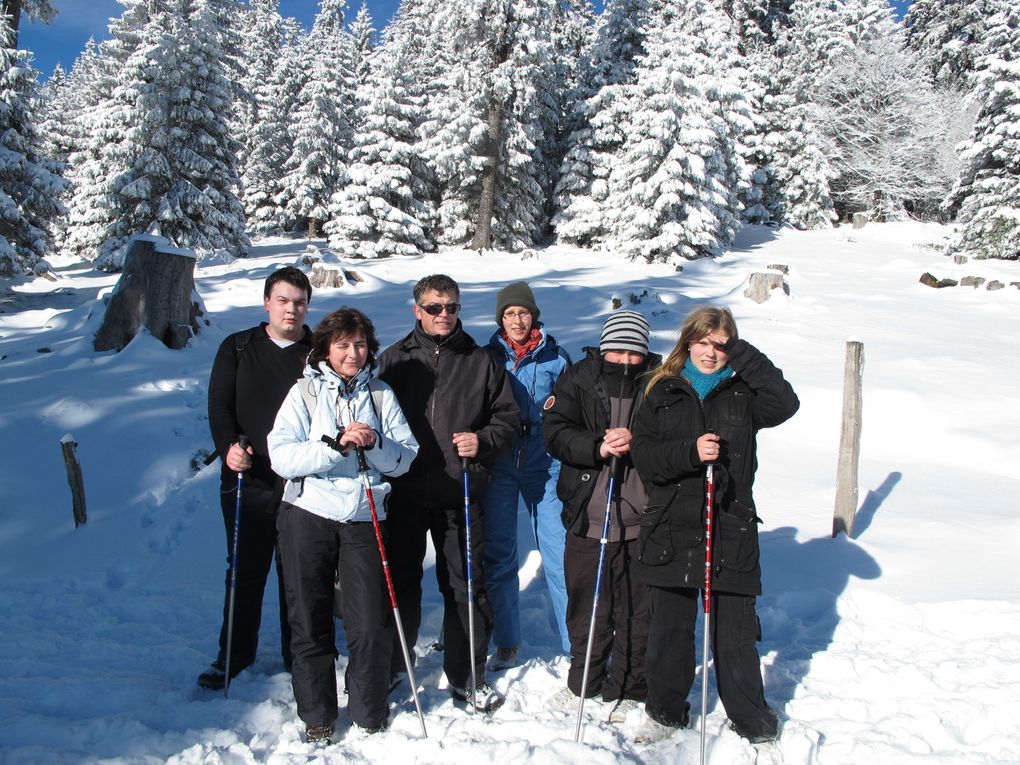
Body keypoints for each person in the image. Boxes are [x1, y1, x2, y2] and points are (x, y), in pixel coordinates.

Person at [630, 306, 799, 743]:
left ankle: (750, 716)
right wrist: (690, 452)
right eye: (703, 342)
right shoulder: (662, 389)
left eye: (721, 344)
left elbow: (786, 402)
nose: (711, 352)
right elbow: (645, 457)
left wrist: (741, 352)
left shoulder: (744, 393)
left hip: (730, 526)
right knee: (670, 630)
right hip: (671, 524)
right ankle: (665, 711)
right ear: (687, 342)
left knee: (736, 634)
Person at [267, 307, 419, 743]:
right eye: (343, 345)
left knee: (369, 621)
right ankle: (317, 713)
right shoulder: (304, 395)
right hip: (308, 513)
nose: (353, 353)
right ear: (326, 350)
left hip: (364, 514)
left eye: (360, 344)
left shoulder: (381, 394)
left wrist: (375, 443)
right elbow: (282, 456)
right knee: (309, 616)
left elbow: (406, 458)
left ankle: (369, 709)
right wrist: (334, 446)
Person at [377, 274, 519, 713]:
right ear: (417, 310)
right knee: (399, 582)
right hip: (403, 491)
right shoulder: (394, 360)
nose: (444, 315)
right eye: (435, 307)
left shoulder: (480, 361)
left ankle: (466, 675)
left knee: (464, 586)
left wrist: (483, 440)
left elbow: (508, 419)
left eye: (452, 307)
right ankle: (394, 664)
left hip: (458, 491)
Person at [198, 266, 313, 691]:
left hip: (302, 481)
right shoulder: (238, 347)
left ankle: (298, 655)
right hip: (248, 477)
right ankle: (234, 654)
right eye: (283, 300)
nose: (291, 309)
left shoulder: (318, 351)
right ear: (267, 302)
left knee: (299, 572)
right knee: (244, 569)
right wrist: (228, 445)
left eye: (299, 302)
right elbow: (218, 404)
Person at [542, 310, 659, 714]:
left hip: (642, 521)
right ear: (604, 348)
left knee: (636, 609)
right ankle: (583, 683)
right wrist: (597, 446)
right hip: (589, 515)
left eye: (634, 352)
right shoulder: (579, 379)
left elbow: (675, 437)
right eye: (617, 351)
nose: (625, 360)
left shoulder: (660, 382)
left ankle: (630, 686)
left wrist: (638, 439)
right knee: (587, 605)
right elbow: (554, 432)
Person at [481, 282, 572, 670]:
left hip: (544, 462)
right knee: (501, 555)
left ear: (533, 315)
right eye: (509, 314)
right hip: (501, 461)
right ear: (500, 319)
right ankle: (507, 642)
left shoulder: (556, 356)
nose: (517, 320)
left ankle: (576, 643)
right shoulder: (487, 357)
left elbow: (572, 408)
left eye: (523, 313)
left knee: (559, 554)